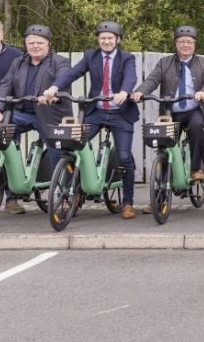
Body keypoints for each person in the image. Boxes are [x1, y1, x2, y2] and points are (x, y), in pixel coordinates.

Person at [43, 21, 140, 219]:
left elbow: (131, 77)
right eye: (102, 38)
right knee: (74, 146)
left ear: (117, 40)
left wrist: (124, 91)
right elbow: (72, 73)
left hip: (120, 113)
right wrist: (54, 87)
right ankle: (75, 193)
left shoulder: (127, 58)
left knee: (123, 156)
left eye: (110, 38)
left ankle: (128, 202)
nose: (106, 41)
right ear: (98, 40)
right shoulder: (90, 56)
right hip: (96, 111)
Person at [0, 25, 73, 214]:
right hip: (21, 113)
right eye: (31, 43)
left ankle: (65, 195)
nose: (35, 46)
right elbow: (5, 85)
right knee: (2, 140)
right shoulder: (19, 62)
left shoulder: (60, 61)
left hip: (50, 114)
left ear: (48, 44)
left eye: (39, 43)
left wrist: (53, 93)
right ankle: (11, 195)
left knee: (56, 152)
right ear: (25, 45)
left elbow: (64, 79)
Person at [132, 25, 204, 214]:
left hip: (194, 109)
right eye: (181, 42)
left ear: (195, 45)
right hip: (171, 112)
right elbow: (152, 80)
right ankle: (158, 199)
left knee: (196, 127)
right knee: (164, 150)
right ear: (176, 44)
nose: (185, 45)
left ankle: (196, 168)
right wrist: (140, 91)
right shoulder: (164, 63)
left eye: (189, 42)